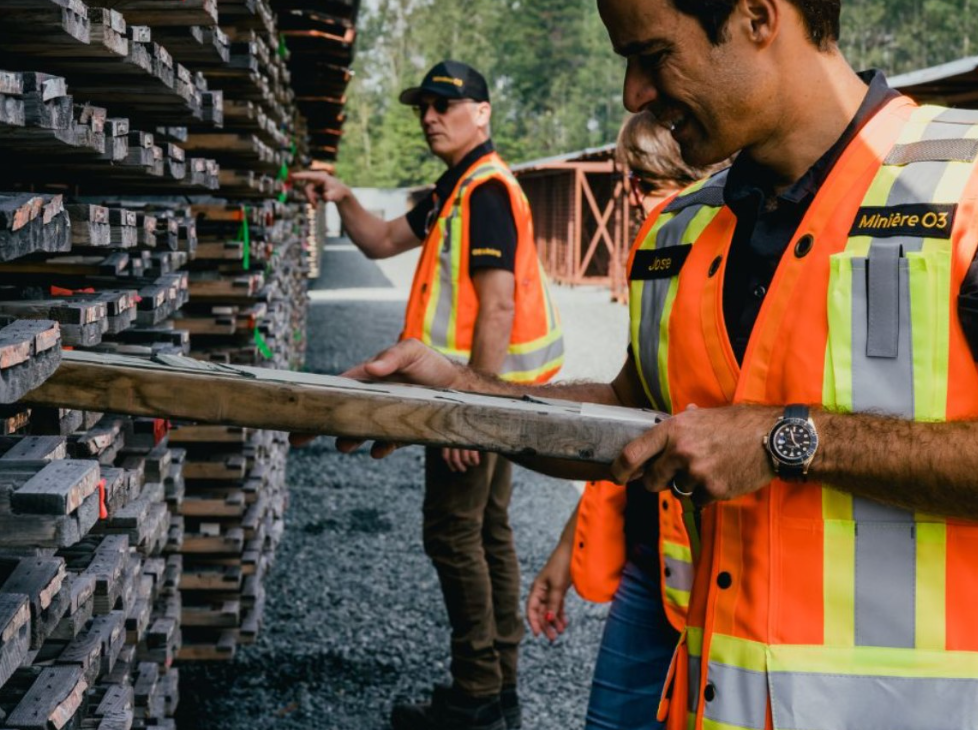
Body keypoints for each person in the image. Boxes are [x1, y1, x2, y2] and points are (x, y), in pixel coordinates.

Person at [312, 2, 978, 728]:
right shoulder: (681, 230)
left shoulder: (962, 188)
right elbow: (631, 413)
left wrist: (790, 439)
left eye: (654, 55)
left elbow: (766, 436)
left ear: (758, 16)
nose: (633, 94)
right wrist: (464, 396)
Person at [292, 61, 565, 730]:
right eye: (425, 105)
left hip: (474, 401)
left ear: (484, 111)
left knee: (452, 533)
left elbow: (496, 309)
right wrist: (342, 195)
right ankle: (497, 690)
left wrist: (468, 417)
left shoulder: (487, 193)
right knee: (488, 531)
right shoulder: (458, 187)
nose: (431, 115)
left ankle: (478, 695)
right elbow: (383, 239)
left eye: (447, 103)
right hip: (494, 399)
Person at [526, 111, 728, 730]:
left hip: (721, 570)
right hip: (654, 558)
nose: (639, 197)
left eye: (654, 179)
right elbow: (635, 413)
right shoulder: (660, 258)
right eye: (632, 181)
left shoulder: (737, 256)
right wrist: (568, 546)